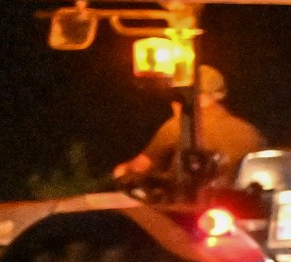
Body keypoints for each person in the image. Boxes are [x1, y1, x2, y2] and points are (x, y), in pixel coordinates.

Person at [113, 65, 270, 183]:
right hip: (235, 210)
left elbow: (140, 167)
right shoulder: (250, 130)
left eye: (178, 96)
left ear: (198, 97)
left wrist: (121, 170)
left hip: (193, 210)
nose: (174, 103)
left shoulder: (179, 125)